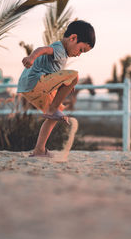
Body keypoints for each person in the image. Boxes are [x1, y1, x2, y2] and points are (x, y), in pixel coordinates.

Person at [17, 20, 96, 157]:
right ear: (73, 38)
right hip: (35, 82)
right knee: (75, 77)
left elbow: (52, 72)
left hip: (31, 87)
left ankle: (39, 150)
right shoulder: (59, 49)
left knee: (55, 115)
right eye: (81, 50)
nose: (79, 54)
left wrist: (64, 83)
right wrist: (31, 57)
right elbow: (43, 49)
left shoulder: (63, 53)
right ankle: (53, 109)